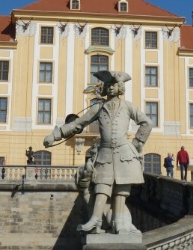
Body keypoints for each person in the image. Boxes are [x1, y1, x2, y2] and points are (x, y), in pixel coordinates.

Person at [43, 70, 152, 234]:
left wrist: (137, 143)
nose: (109, 88)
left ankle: (119, 223)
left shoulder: (128, 106)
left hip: (124, 153)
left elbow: (147, 123)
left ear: (120, 87)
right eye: (107, 85)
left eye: (113, 85)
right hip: (105, 153)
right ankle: (95, 219)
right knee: (102, 185)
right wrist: (55, 135)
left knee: (121, 190)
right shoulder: (99, 108)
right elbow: (78, 123)